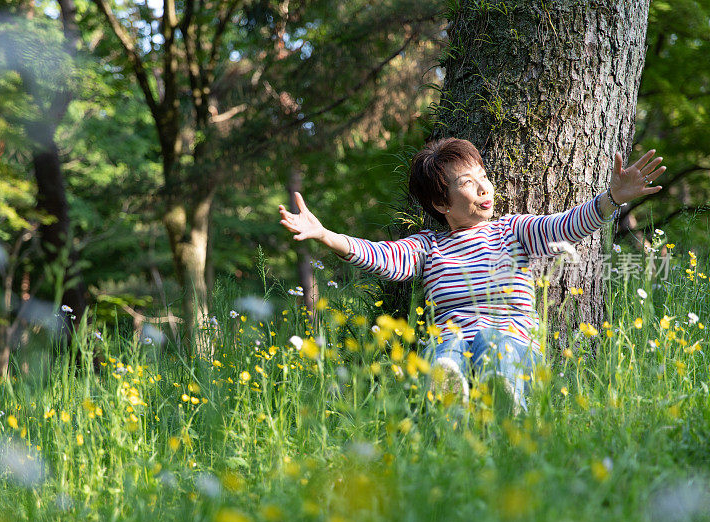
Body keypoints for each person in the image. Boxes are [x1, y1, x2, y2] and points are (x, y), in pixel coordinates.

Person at [278, 137, 666, 412]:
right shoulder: (428, 246)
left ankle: (506, 400)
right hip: (451, 344)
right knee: (445, 351)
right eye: (468, 182)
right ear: (440, 202)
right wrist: (327, 235)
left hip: (512, 341)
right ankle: (451, 405)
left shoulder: (513, 230)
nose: (484, 188)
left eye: (483, 176)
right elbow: (383, 257)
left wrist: (612, 198)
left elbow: (567, 226)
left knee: (495, 344)